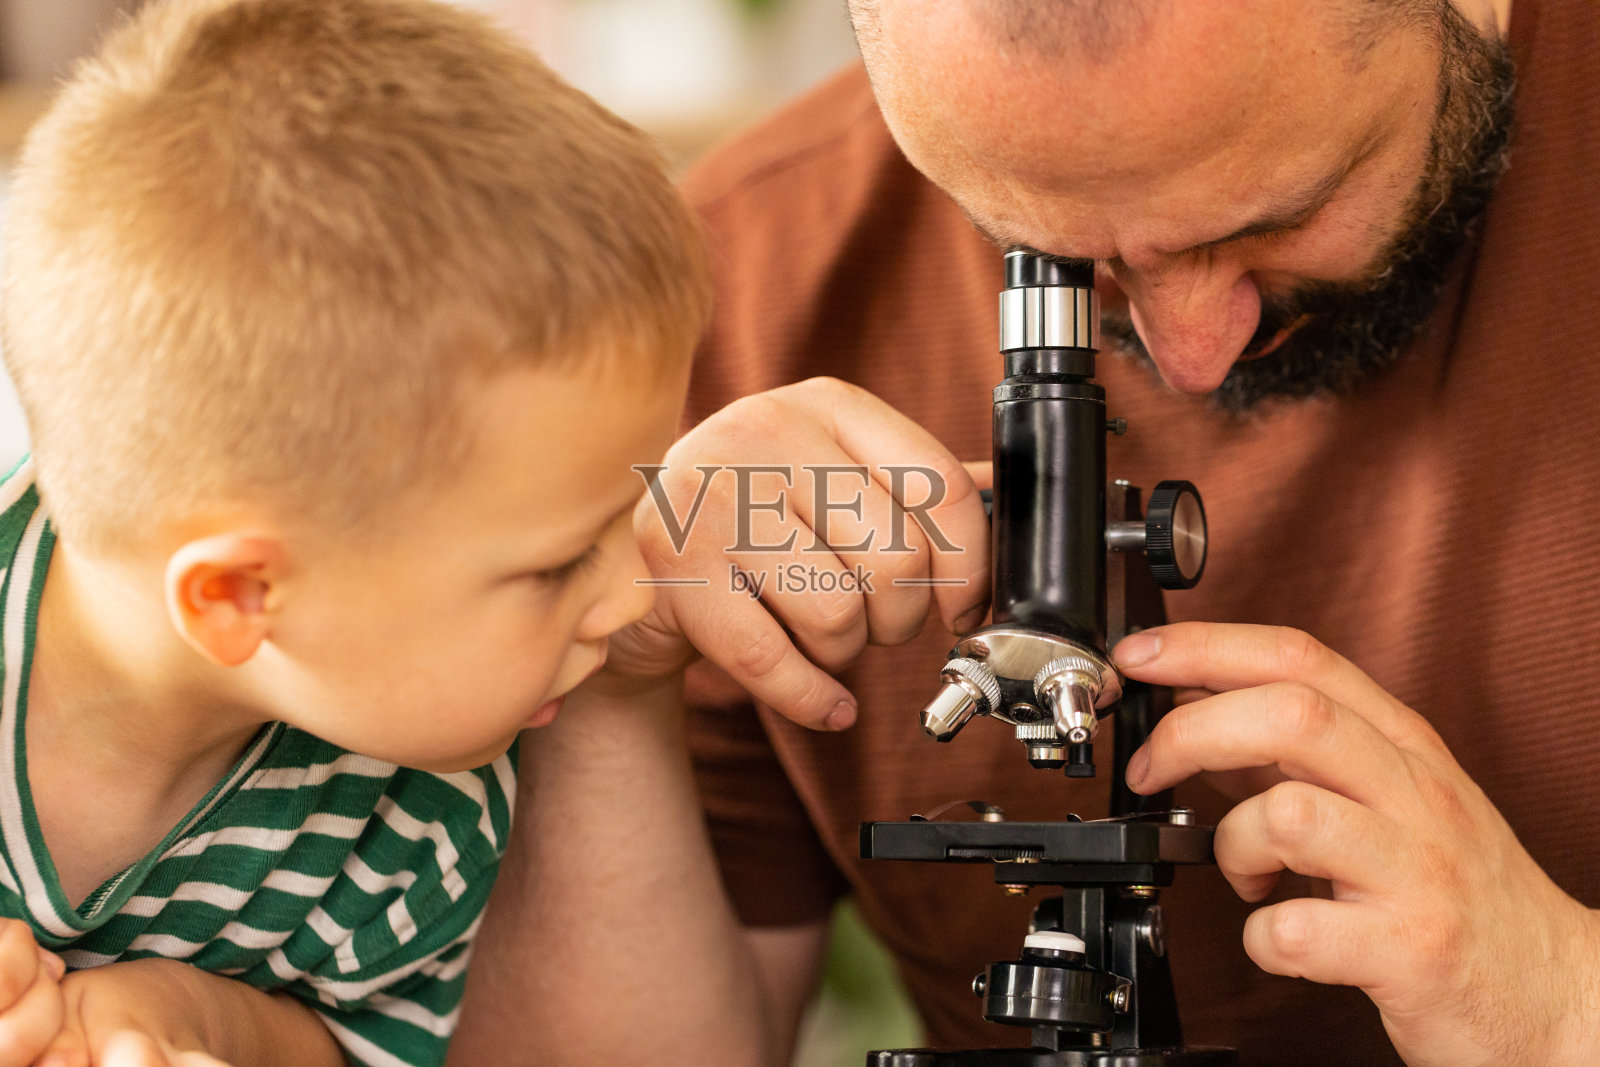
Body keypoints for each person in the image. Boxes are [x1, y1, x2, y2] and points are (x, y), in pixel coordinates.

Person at [449, 0, 1600, 1065]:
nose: (1188, 351)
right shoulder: (741, 290)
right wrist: (615, 672)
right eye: (1051, 251)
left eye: (1282, 214)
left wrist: (1559, 996)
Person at [0, 0, 709, 1063]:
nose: (633, 595)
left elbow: (355, 1046)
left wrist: (181, 1016)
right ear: (239, 598)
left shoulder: (421, 814)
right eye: (557, 561)